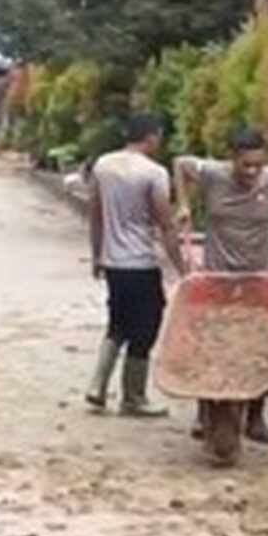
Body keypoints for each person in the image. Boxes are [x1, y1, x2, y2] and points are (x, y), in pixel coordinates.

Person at [173, 127, 268, 442]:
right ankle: (205, 412)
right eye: (245, 165)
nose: (252, 172)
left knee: (259, 348)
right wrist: (183, 203)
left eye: (257, 165)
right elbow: (180, 163)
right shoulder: (212, 174)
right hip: (216, 277)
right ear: (231, 159)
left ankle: (255, 416)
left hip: (258, 279)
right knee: (212, 347)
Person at [83, 114, 189, 417]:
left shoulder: (103, 166)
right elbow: (165, 224)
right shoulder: (154, 173)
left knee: (118, 322)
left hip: (114, 261)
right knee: (145, 327)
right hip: (140, 261)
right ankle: (133, 396)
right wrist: (182, 268)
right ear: (151, 137)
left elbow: (95, 214)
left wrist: (96, 255)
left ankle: (97, 385)